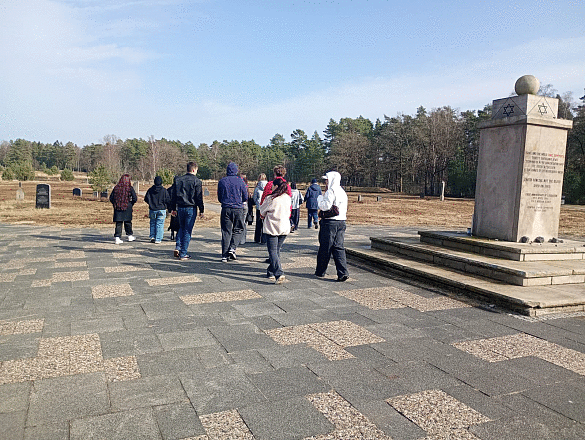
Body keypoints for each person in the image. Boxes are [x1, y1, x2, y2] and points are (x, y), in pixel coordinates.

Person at [315, 171, 350, 282]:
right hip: (341, 221)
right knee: (338, 247)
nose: (325, 182)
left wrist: (319, 199)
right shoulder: (342, 191)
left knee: (325, 247)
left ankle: (320, 271)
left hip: (330, 222)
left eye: (327, 180)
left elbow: (325, 206)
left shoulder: (331, 191)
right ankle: (343, 273)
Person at [260, 178, 292, 284]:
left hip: (272, 228)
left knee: (273, 251)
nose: (271, 188)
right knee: (277, 250)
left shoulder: (270, 198)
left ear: (276, 187)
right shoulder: (287, 198)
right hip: (284, 227)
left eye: (273, 186)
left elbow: (262, 211)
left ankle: (279, 273)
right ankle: (270, 271)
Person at [170, 162, 205, 260]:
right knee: (187, 230)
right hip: (191, 208)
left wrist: (173, 208)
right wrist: (201, 210)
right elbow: (199, 197)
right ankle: (183, 253)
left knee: (181, 228)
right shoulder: (197, 181)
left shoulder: (178, 180)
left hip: (180, 207)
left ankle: (178, 246)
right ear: (194, 169)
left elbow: (173, 195)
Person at [217, 162, 248, 262]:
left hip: (226, 208)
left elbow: (219, 197)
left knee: (226, 231)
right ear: (236, 171)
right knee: (238, 229)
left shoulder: (222, 181)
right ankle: (232, 248)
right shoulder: (240, 181)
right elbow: (245, 196)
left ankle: (224, 255)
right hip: (238, 208)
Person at [109, 174, 138, 244]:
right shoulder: (129, 188)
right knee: (128, 222)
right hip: (127, 207)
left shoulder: (116, 188)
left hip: (118, 207)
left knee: (118, 223)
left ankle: (117, 237)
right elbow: (135, 198)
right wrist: (130, 204)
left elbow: (111, 198)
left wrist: (115, 204)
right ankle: (129, 236)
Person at [144, 176, 170, 244]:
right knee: (160, 224)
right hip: (161, 209)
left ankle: (152, 237)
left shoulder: (150, 190)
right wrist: (165, 205)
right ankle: (158, 239)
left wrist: (151, 203)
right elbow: (168, 200)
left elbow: (146, 198)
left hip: (152, 209)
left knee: (152, 223)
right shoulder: (164, 190)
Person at [253, 173, 268, 244]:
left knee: (258, 223)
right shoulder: (269, 186)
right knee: (265, 223)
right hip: (266, 207)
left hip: (259, 207)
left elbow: (254, 197)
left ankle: (257, 238)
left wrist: (256, 203)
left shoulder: (257, 187)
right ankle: (264, 239)